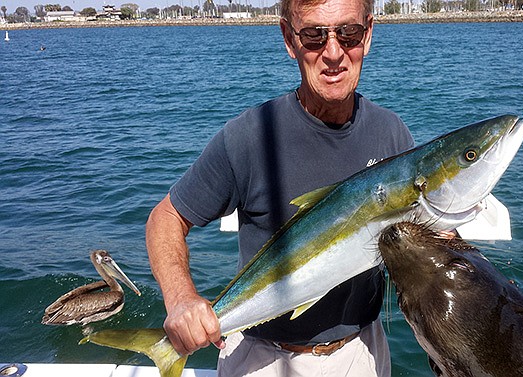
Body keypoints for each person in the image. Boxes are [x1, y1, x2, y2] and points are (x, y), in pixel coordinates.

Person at [145, 0, 414, 375]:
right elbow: (166, 217)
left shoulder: (392, 133)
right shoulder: (249, 137)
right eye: (314, 35)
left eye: (348, 33)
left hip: (362, 353)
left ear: (368, 34)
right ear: (289, 39)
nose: (334, 53)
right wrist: (180, 299)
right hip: (261, 357)